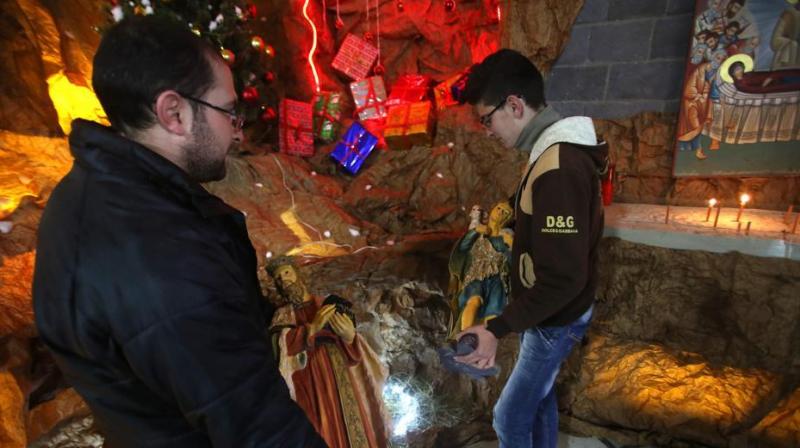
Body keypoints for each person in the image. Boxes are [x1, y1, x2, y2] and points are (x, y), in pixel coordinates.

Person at [32, 16, 324, 448]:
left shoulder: (85, 191)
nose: (236, 130)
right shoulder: (168, 262)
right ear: (174, 112)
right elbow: (260, 429)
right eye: (228, 111)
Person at [455, 49, 607, 448]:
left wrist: (495, 329)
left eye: (487, 119)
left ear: (515, 105)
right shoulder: (549, 152)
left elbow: (564, 276)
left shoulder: (558, 167)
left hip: (554, 320)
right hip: (549, 313)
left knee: (509, 417)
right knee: (538, 401)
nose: (488, 131)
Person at [266, 258, 389, 448]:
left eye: (287, 273)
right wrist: (311, 329)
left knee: (351, 424)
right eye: (279, 279)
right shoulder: (282, 315)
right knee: (317, 429)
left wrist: (349, 337)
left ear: (298, 274)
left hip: (340, 376)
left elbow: (355, 355)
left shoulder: (328, 304)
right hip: (307, 381)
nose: (284, 280)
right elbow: (277, 346)